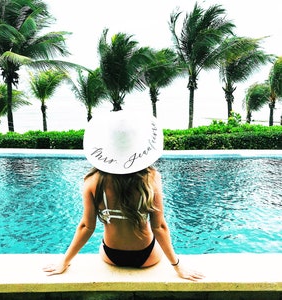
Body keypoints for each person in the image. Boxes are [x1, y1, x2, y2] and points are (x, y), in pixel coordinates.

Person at [43, 110, 204, 281]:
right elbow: (159, 227)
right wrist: (178, 266)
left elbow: (86, 227)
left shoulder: (92, 181)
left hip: (112, 256)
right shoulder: (151, 178)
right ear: (140, 145)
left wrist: (64, 261)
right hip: (147, 256)